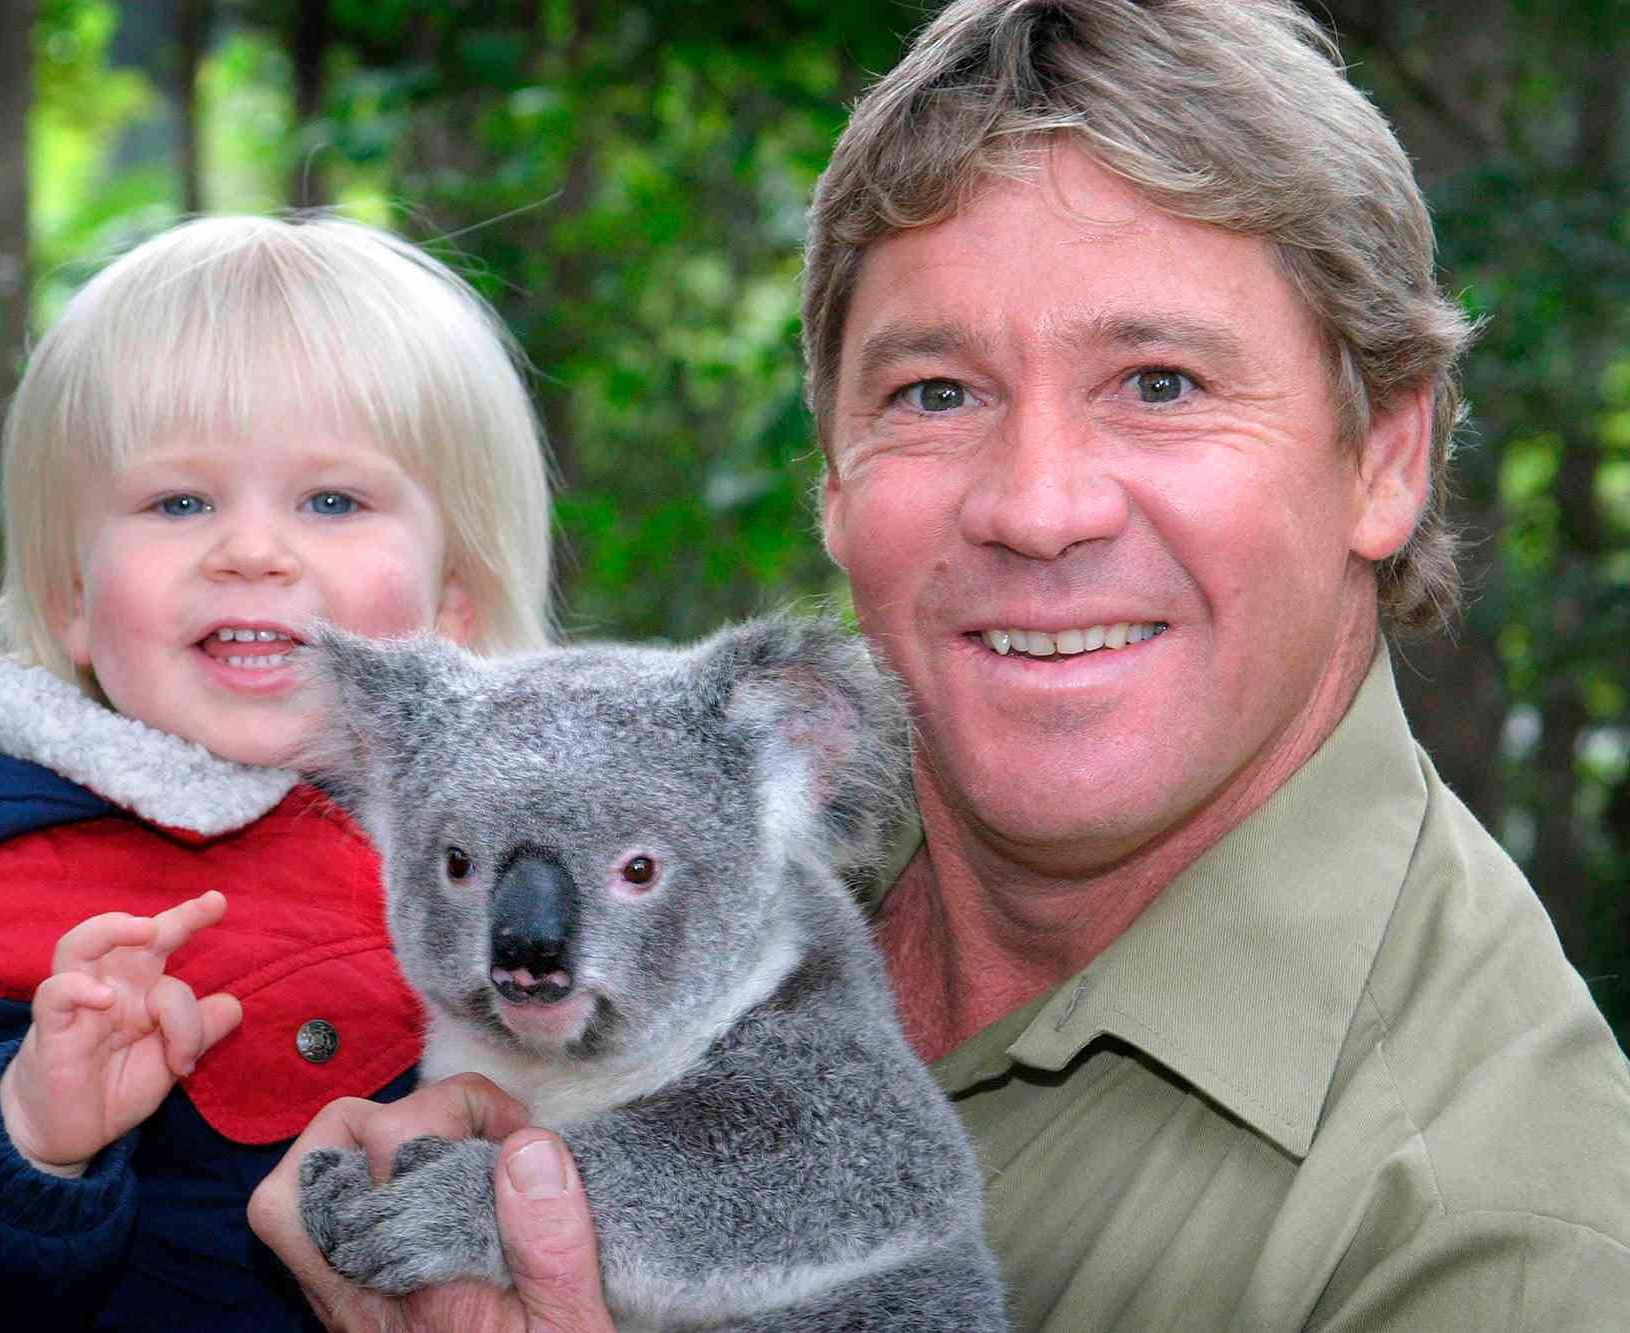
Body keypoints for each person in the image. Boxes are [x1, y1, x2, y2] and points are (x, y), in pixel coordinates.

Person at [247, 2, 1630, 1329]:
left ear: (1386, 459)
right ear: (833, 480)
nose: (1039, 508)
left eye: (1161, 382)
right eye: (936, 394)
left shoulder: (1506, 1224)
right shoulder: (714, 803)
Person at [0, 213, 557, 1331]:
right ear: (73, 597)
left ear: (453, 597)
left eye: (331, 501)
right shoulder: (0, 882)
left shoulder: (544, 857)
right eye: (180, 502)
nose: (252, 550)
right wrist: (24, 1124)